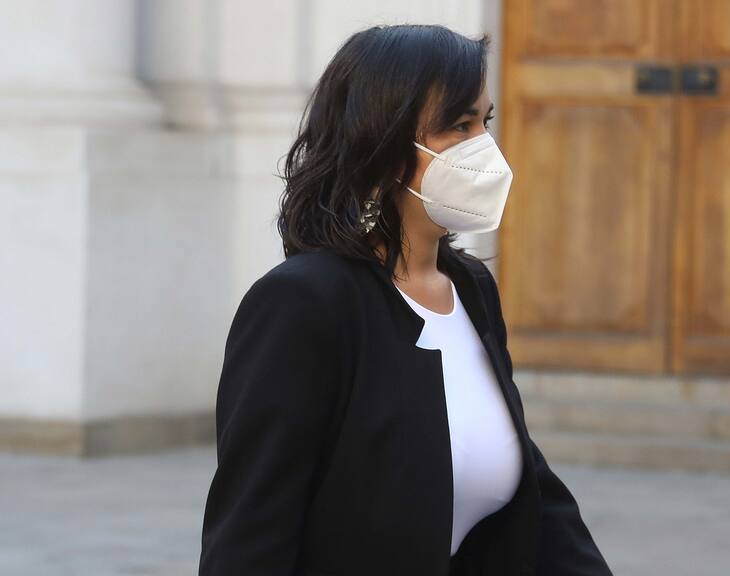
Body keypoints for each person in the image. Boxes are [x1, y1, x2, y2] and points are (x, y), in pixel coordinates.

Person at [198, 23, 613, 576]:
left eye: (483, 122)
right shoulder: (303, 304)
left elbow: (528, 490)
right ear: (387, 145)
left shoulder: (469, 287)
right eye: (458, 126)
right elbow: (251, 530)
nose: (483, 147)